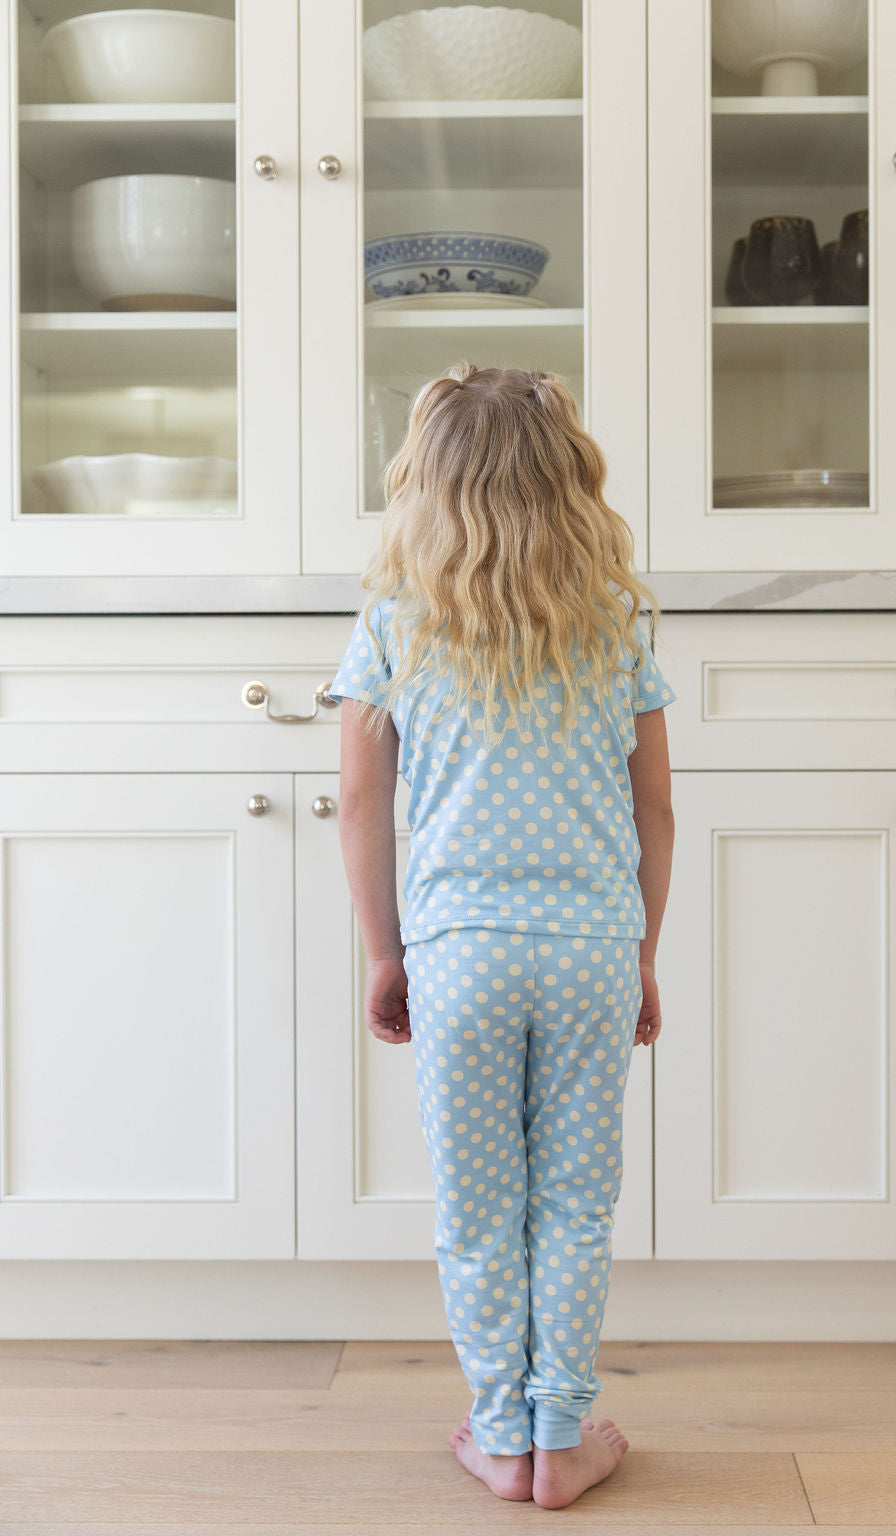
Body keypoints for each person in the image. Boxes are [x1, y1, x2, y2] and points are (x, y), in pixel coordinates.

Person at [327, 361, 676, 1510]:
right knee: (575, 1201)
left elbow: (364, 801)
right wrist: (639, 955)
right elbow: (653, 808)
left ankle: (498, 1432)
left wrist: (386, 951)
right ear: (569, 483)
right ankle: (562, 1441)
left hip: (460, 951)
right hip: (586, 949)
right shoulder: (613, 622)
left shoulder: (393, 624)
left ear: (425, 486)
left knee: (479, 1207)